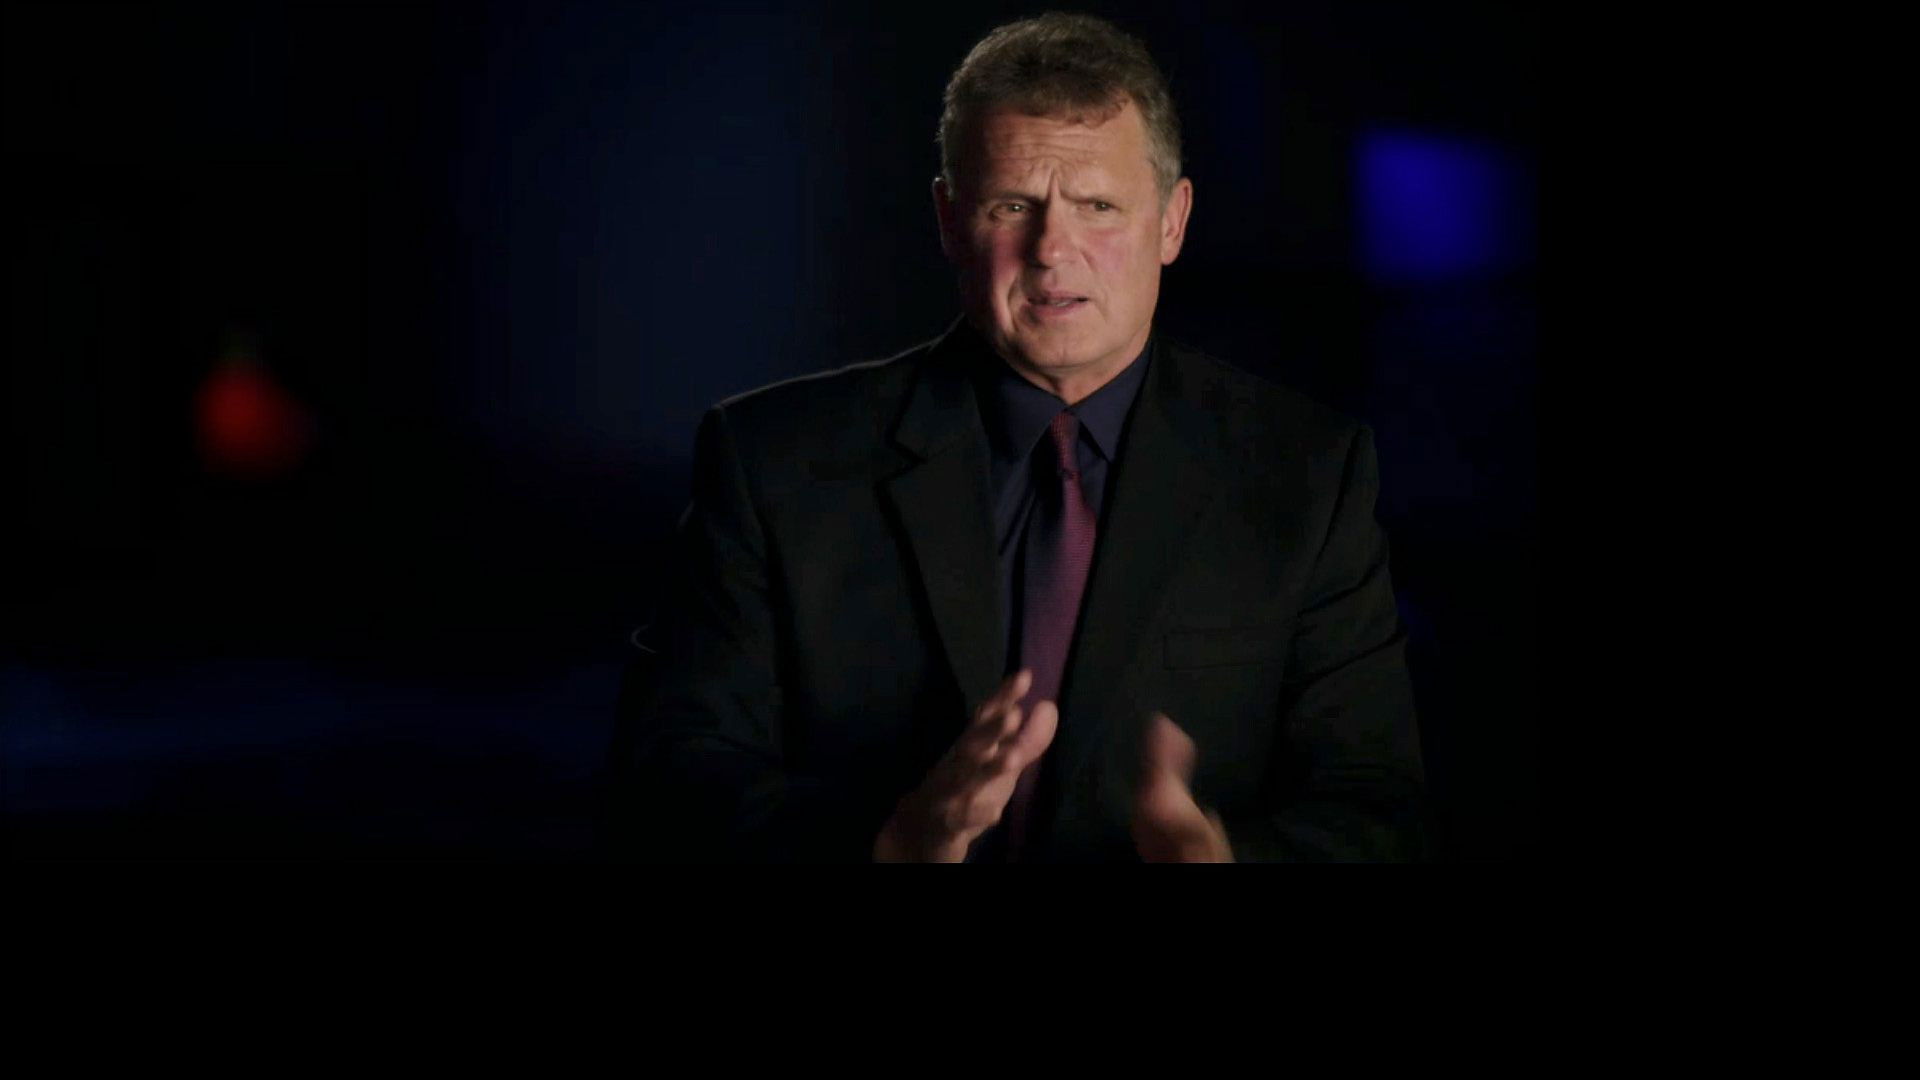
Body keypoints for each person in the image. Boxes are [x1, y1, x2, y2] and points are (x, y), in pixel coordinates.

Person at [608, 12, 1429, 862]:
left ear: (1172, 221)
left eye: (1098, 206)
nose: (1052, 250)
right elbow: (662, 783)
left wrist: (1226, 859)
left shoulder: (1308, 474)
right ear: (948, 218)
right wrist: (888, 843)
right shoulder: (771, 464)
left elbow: (1379, 811)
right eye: (1012, 205)